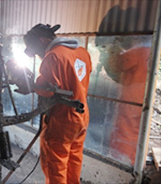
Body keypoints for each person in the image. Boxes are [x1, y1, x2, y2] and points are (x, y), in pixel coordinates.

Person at [23, 24, 92, 184]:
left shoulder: (53, 56)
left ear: (41, 41)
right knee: (74, 159)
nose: (40, 55)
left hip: (62, 119)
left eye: (37, 51)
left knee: (56, 164)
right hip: (81, 116)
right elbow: (80, 77)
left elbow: (46, 89)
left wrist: (33, 85)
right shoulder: (82, 53)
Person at [95, 5, 150, 165]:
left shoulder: (137, 52)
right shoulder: (147, 51)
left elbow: (113, 66)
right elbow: (118, 76)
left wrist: (108, 50)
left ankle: (122, 167)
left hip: (131, 105)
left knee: (124, 136)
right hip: (138, 102)